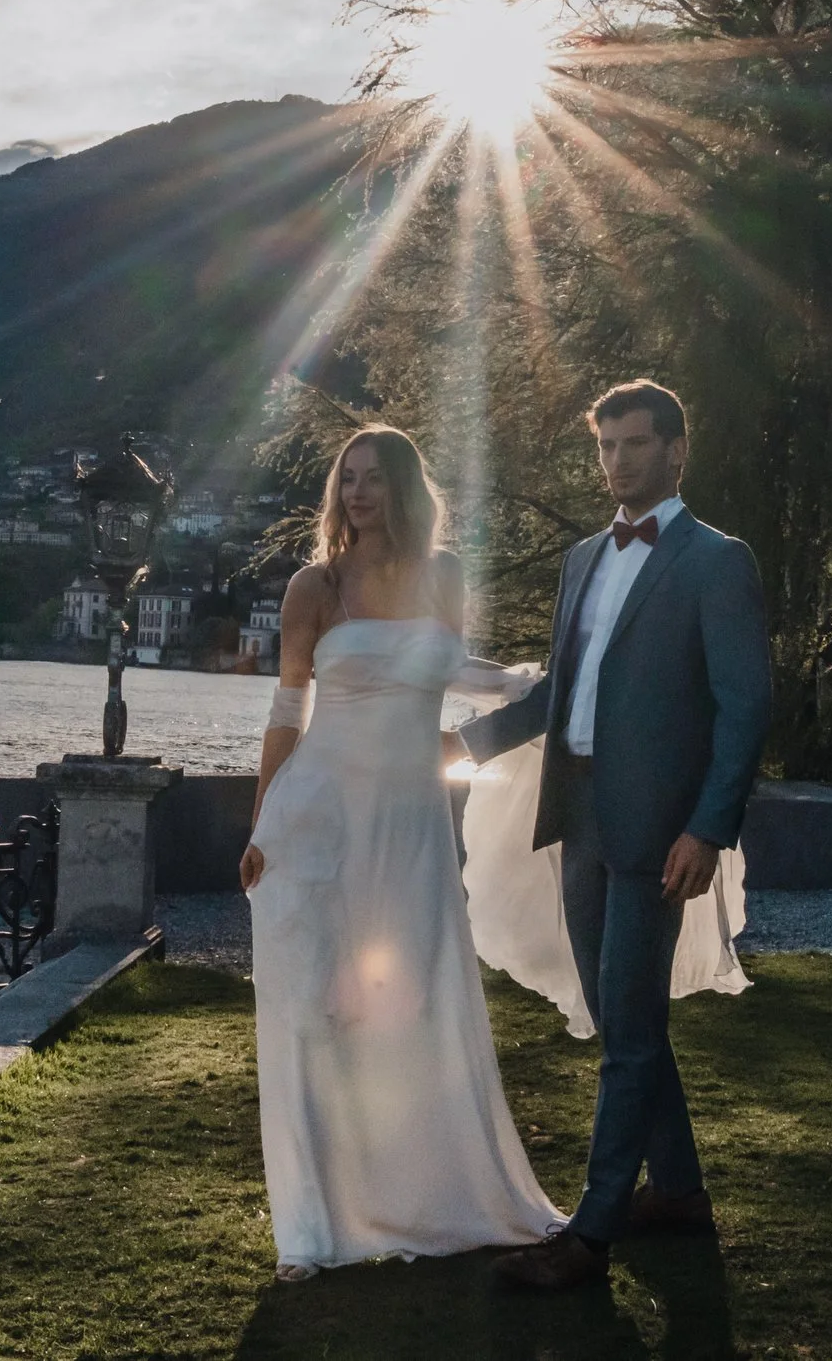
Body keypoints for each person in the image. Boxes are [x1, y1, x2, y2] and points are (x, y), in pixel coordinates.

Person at [451, 379, 774, 1291]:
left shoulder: (718, 560)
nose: (617, 462)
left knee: (627, 1028)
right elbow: (559, 693)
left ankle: (589, 1235)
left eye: (635, 444)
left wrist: (708, 827)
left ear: (676, 451)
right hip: (578, 814)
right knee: (618, 1014)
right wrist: (463, 742)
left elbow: (745, 706)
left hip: (658, 830)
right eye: (606, 446)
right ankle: (675, 1191)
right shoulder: (585, 556)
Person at [239, 426, 563, 1281]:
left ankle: (438, 1194)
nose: (358, 493)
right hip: (320, 818)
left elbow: (449, 667)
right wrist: (259, 821)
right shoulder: (317, 586)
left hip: (415, 821)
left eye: (375, 479)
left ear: (405, 489)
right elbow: (285, 713)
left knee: (419, 997)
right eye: (347, 478)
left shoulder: (443, 575)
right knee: (315, 1005)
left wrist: (524, 685)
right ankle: (311, 1227)